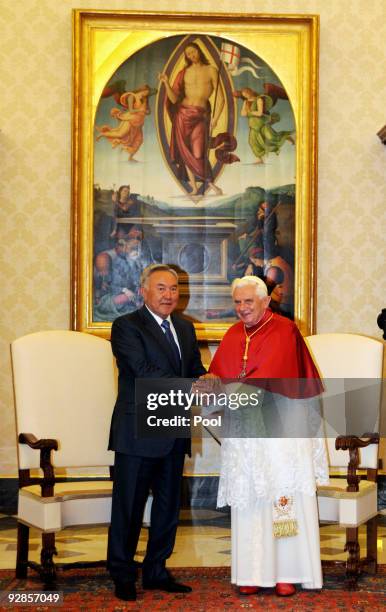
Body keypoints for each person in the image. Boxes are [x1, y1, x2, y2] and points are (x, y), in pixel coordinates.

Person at [209, 276, 329, 597]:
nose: (242, 308)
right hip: (246, 436)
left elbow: (281, 377)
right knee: (249, 499)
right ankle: (252, 571)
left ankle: (286, 572)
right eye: (237, 302)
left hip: (280, 433)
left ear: (264, 302)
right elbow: (220, 377)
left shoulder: (285, 330)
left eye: (249, 301)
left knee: (282, 498)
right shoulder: (233, 334)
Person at [107, 264, 208, 601]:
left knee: (167, 508)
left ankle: (156, 571)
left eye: (174, 289)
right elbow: (143, 371)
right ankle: (122, 573)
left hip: (174, 427)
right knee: (129, 508)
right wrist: (192, 386)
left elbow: (194, 368)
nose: (169, 295)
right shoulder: (126, 326)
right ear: (144, 291)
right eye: (161, 288)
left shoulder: (185, 327)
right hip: (138, 431)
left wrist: (208, 380)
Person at [159, 42, 225, 196]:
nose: (191, 56)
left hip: (200, 116)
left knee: (198, 153)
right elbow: (174, 99)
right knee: (185, 153)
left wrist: (215, 119)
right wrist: (166, 83)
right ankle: (195, 188)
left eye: (193, 52)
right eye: (188, 54)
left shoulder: (211, 70)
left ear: (199, 51)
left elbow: (221, 99)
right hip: (182, 115)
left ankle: (211, 185)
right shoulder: (184, 72)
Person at [96, 84, 156, 161]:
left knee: (139, 140)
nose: (145, 94)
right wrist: (140, 110)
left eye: (147, 94)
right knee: (120, 133)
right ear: (142, 90)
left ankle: (130, 157)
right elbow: (131, 111)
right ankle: (102, 134)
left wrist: (146, 111)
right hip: (131, 119)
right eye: (145, 92)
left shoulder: (144, 99)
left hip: (139, 122)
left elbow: (148, 112)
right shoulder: (132, 97)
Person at [234, 88, 294, 164]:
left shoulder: (259, 100)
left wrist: (249, 112)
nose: (246, 95)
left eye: (246, 93)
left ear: (250, 91)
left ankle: (286, 137)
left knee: (272, 137)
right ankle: (260, 159)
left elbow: (260, 113)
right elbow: (242, 113)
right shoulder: (245, 102)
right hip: (253, 125)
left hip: (261, 123)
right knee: (252, 142)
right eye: (244, 95)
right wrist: (248, 113)